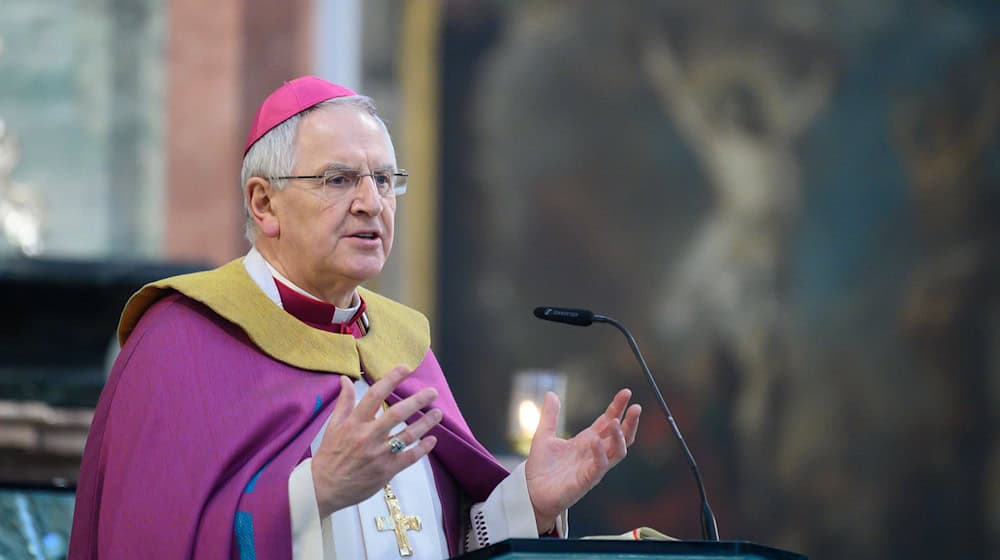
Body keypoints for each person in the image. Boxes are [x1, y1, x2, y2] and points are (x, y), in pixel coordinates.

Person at [69, 76, 642, 559]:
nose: (372, 202)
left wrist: (527, 502)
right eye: (338, 179)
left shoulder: (400, 344)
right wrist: (313, 491)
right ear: (264, 203)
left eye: (385, 180)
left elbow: (443, 539)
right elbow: (149, 542)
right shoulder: (183, 342)